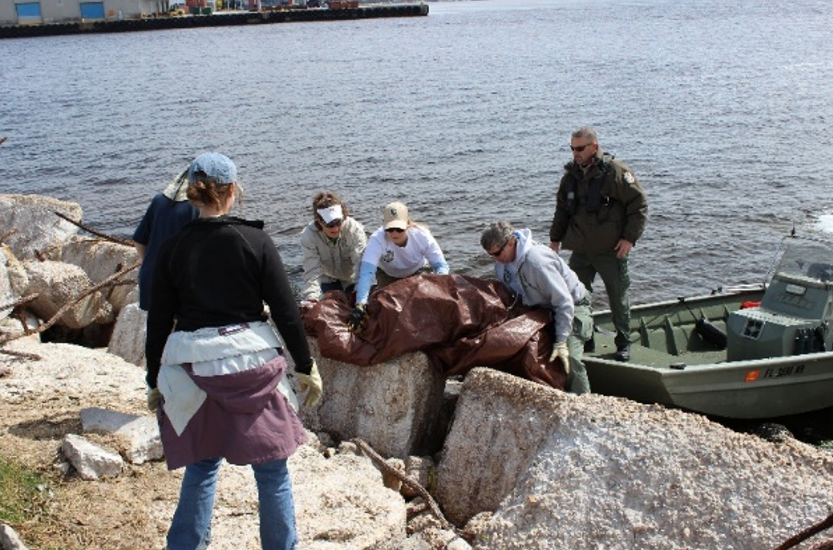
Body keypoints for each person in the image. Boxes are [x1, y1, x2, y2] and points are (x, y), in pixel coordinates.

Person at [144, 152, 322, 550]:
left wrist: (152, 377)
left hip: (194, 368)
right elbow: (285, 311)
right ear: (233, 192)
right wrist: (306, 365)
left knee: (202, 466)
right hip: (253, 366)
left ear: (191, 194)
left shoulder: (172, 248)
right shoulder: (254, 240)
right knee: (273, 472)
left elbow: (158, 320)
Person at [549, 127, 647, 362]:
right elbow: (562, 210)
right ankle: (586, 336)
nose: (576, 153)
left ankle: (624, 342)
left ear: (594, 146)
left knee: (618, 298)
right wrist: (555, 239)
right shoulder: (570, 177)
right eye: (572, 149)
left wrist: (629, 238)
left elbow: (639, 206)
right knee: (578, 296)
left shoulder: (615, 172)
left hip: (611, 250)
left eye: (580, 148)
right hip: (581, 250)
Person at [482, 220, 592, 394]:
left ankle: (583, 405)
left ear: (511, 242)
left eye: (497, 253)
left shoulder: (537, 262)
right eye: (491, 255)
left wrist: (561, 340)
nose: (495, 259)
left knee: (569, 358)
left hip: (573, 305)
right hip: (541, 308)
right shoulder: (502, 265)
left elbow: (564, 302)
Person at [347, 201, 449, 332]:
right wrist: (360, 303)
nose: (394, 233)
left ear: (408, 224)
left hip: (418, 272)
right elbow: (367, 272)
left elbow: (440, 265)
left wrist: (439, 286)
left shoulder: (422, 236)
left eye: (399, 229)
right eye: (389, 229)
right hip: (388, 275)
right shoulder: (377, 240)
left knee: (422, 305)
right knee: (388, 309)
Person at [132, 167, 199, 311]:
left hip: (150, 278)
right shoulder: (195, 207)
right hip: (175, 283)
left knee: (157, 328)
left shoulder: (158, 200)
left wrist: (147, 261)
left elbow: (139, 240)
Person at [299, 191, 367, 303]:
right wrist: (312, 297)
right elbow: (312, 271)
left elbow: (362, 266)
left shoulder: (354, 230)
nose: (335, 228)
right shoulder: (309, 235)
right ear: (319, 222)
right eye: (329, 224)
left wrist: (359, 293)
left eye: (338, 222)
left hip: (352, 280)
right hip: (328, 280)